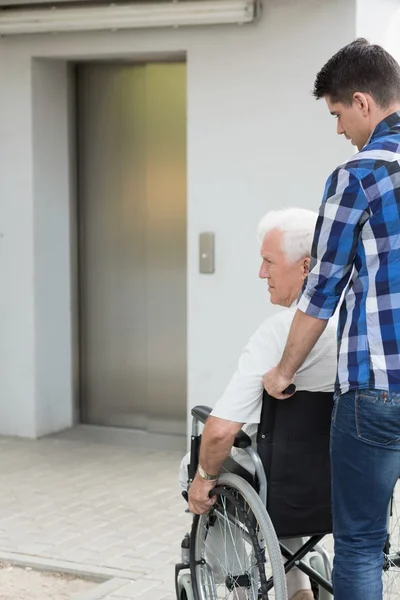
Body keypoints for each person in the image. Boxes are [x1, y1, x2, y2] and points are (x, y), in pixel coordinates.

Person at [263, 39, 400, 600]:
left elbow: (321, 291)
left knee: (362, 541)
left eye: (338, 113)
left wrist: (283, 371)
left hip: (377, 391)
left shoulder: (358, 176)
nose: (339, 129)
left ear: (363, 102)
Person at [179, 207, 338, 600]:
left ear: (305, 267)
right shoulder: (355, 324)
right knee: (287, 476)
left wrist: (203, 481)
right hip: (340, 481)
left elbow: (221, 430)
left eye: (268, 262)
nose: (261, 273)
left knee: (201, 464)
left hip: (286, 485)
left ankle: (237, 581)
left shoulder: (278, 335)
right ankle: (299, 587)